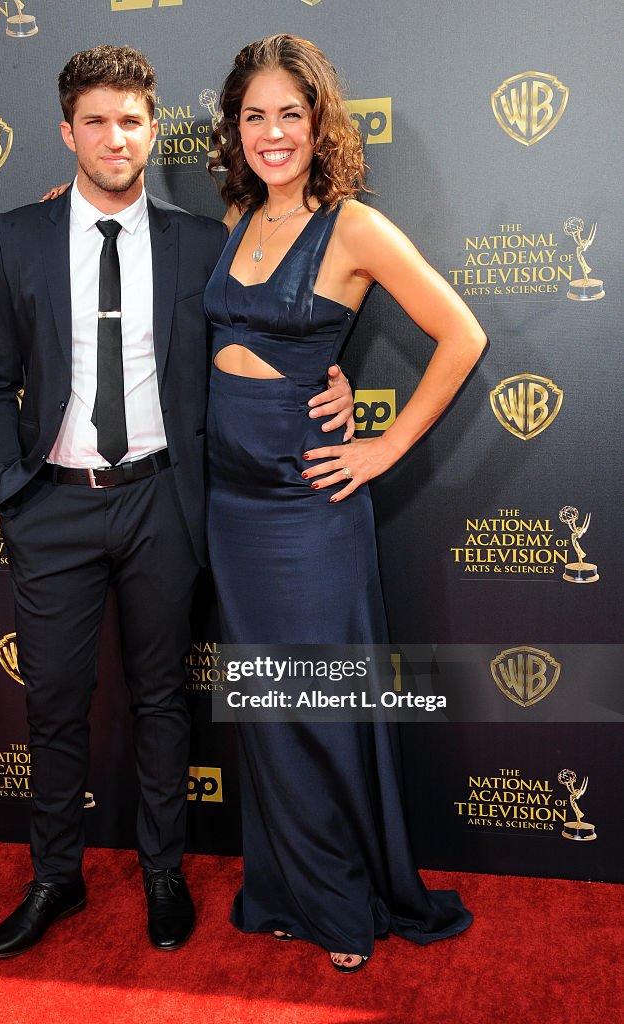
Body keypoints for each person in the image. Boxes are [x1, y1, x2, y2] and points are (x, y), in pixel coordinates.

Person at [0, 44, 354, 959]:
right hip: (53, 506)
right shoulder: (16, 236)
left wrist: (325, 379)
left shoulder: (201, 242)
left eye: (131, 121)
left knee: (160, 702)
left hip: (162, 507)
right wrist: (8, 493)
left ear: (152, 131)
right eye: (95, 121)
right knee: (54, 706)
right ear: (68, 131)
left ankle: (163, 873)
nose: (114, 137)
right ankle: (56, 879)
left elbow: (260, 340)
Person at [204, 35, 487, 972]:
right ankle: (284, 888)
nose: (272, 132)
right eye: (255, 115)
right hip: (231, 508)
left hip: (306, 509)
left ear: (320, 122)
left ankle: (343, 904)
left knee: (319, 705)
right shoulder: (239, 215)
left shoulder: (354, 225)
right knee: (267, 708)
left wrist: (384, 443)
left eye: (291, 112)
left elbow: (462, 333)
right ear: (234, 128)